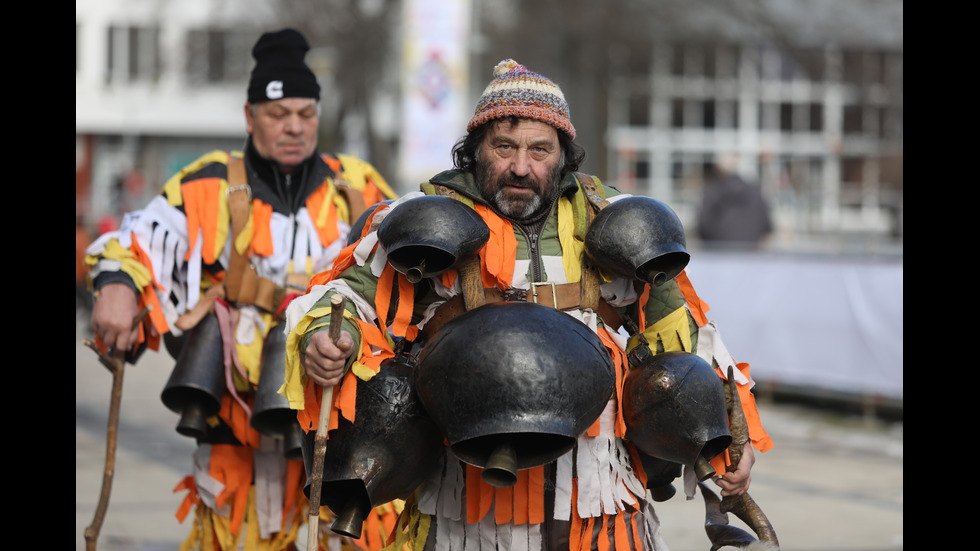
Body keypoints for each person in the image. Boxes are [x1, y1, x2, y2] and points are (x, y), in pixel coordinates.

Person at [284, 59, 775, 550]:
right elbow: (342, 298)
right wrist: (330, 340)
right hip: (467, 503)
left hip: (598, 493)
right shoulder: (424, 219)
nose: (521, 167)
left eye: (540, 149)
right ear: (476, 150)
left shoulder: (612, 218)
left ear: (562, 154)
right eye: (504, 147)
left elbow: (684, 336)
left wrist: (731, 437)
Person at [85, 28, 398, 551]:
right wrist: (117, 283)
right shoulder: (205, 184)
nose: (294, 127)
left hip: (336, 430)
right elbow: (135, 241)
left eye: (306, 113)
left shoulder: (357, 187)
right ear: (250, 116)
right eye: (279, 115)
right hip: (233, 436)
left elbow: (409, 255)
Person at [696, 153, 773, 251]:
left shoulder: (712, 192)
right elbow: (766, 225)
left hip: (718, 253)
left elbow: (702, 224)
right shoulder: (755, 192)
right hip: (749, 252)